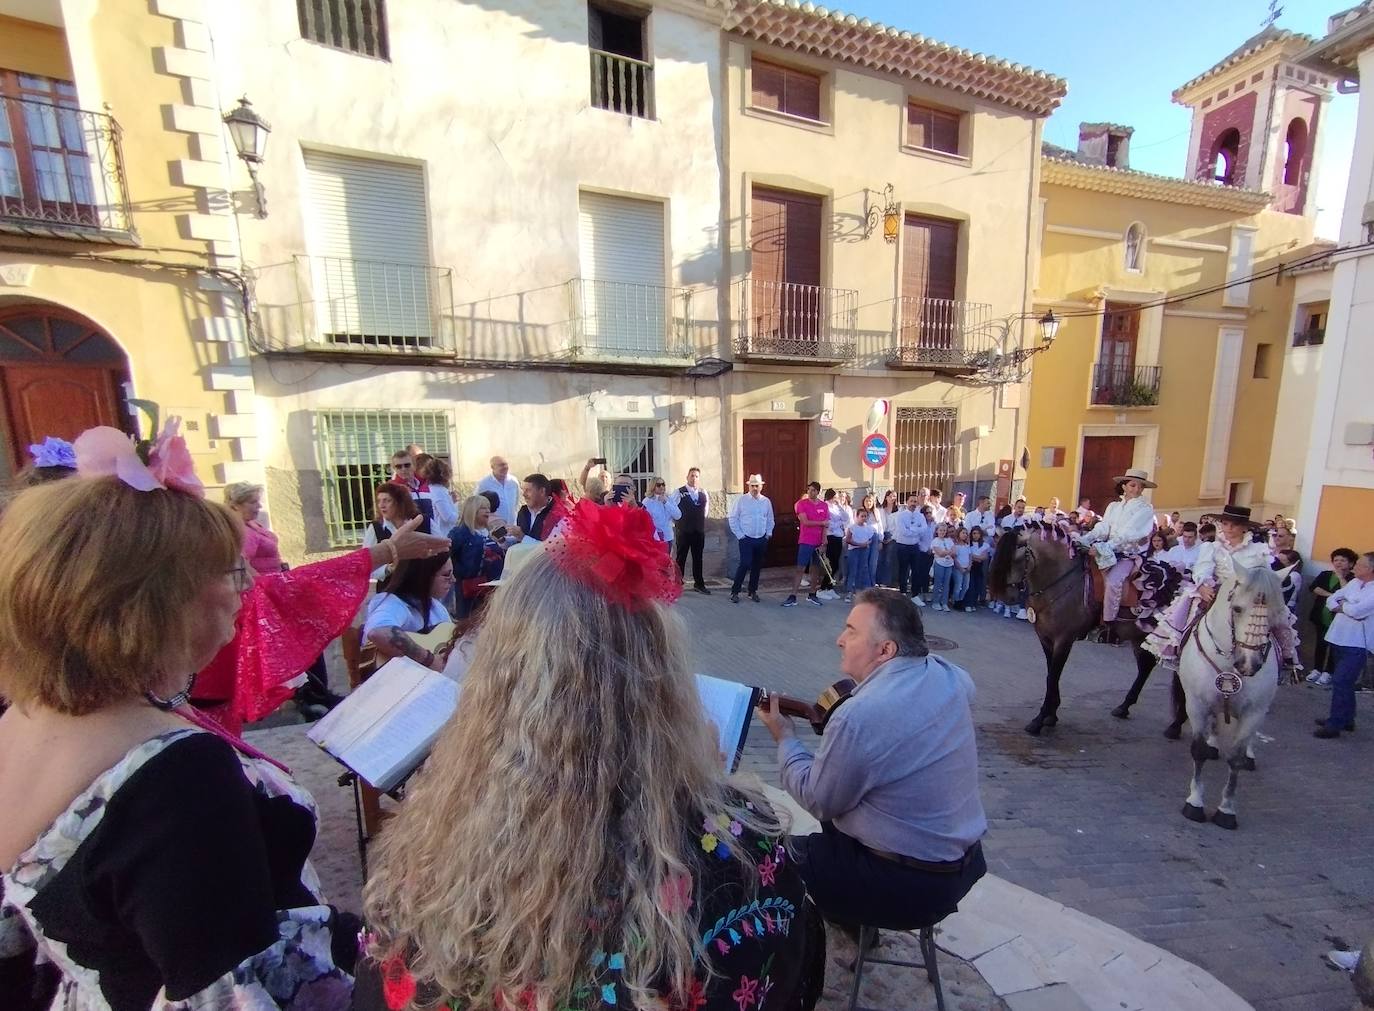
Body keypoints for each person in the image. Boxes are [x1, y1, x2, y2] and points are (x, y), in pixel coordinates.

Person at [356, 500, 824, 1011]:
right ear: (665, 685)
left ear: (498, 685)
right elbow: (789, 973)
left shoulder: (425, 858)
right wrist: (709, 793)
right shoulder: (741, 860)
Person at [0, 425, 359, 1007]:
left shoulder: (23, 715)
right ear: (156, 599)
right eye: (227, 571)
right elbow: (231, 995)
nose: (241, 591)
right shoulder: (177, 773)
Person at [757, 589, 987, 932]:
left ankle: (801, 949)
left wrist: (785, 738)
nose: (839, 639)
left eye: (851, 631)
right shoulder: (953, 677)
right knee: (843, 807)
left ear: (885, 650)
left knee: (766, 863)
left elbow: (819, 801)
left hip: (904, 885)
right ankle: (848, 917)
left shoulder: (858, 716)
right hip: (962, 866)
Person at [1144, 505, 1300, 672]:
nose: (1229, 528)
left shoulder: (1258, 550)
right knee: (1187, 613)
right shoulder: (1211, 547)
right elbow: (1202, 569)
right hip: (1217, 593)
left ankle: (1287, 657)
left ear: (1245, 528)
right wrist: (1203, 585)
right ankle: (1180, 652)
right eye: (1225, 524)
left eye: (1235, 525)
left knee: (1280, 616)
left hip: (1250, 596)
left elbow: (1265, 575)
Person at [1076, 469, 1156, 626]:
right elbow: (1104, 527)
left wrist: (1104, 547)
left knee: (1113, 581)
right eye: (1133, 485)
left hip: (1128, 554)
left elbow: (1129, 533)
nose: (1137, 489)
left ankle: (1109, 622)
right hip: (1109, 548)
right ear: (1124, 486)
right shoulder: (1113, 506)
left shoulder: (1145, 509)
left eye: (1140, 487)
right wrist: (1085, 539)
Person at [1315, 551, 1374, 739]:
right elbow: (1332, 599)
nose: (1355, 566)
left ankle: (1335, 724)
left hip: (1358, 643)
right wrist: (1343, 605)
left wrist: (1344, 606)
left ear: (1371, 569)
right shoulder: (1354, 583)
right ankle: (1346, 718)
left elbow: (1358, 611)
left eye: (1361, 564)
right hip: (1339, 637)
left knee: (1341, 681)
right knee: (1345, 683)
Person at [362, 554, 455, 670]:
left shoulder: (436, 607)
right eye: (446, 575)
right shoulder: (392, 604)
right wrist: (429, 660)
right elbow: (378, 632)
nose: (453, 580)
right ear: (423, 576)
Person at [449, 494, 509, 619]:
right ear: (472, 510)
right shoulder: (460, 533)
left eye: (488, 507)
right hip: (469, 591)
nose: (487, 510)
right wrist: (461, 573)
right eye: (483, 507)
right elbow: (448, 556)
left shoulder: (490, 532)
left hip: (492, 588)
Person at [362, 480, 428, 586]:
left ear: (399, 502)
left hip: (421, 587)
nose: (381, 505)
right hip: (389, 591)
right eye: (379, 501)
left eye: (387, 500)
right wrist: (387, 569)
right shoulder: (376, 528)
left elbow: (441, 551)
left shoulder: (423, 522)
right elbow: (366, 564)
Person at [1307, 548, 1356, 686]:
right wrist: (1333, 596)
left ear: (1351, 564)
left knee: (1334, 646)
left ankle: (1328, 672)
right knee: (1320, 644)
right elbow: (1314, 588)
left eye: (1343, 560)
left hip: (1339, 619)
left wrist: (1341, 577)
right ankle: (1316, 669)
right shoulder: (1325, 574)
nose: (1338, 563)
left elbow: (1348, 594)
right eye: (1336, 560)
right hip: (1321, 615)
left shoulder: (1353, 579)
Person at [728, 474, 774, 603]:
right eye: (752, 486)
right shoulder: (741, 500)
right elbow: (733, 518)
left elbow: (770, 519)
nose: (754, 488)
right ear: (748, 486)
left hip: (761, 538)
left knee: (757, 566)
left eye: (757, 486)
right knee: (745, 563)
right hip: (746, 538)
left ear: (761, 487)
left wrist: (768, 534)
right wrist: (740, 535)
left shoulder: (766, 501)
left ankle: (752, 591)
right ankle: (735, 591)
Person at [224, 481, 283, 576]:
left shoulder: (250, 523)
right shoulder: (238, 530)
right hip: (264, 584)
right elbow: (241, 563)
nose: (259, 506)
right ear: (235, 505)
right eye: (253, 502)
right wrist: (262, 584)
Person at [785, 481, 829, 608]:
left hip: (818, 542)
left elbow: (826, 525)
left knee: (815, 569)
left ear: (818, 492)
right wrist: (821, 523)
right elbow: (805, 521)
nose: (810, 492)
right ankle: (793, 595)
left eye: (813, 490)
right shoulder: (802, 504)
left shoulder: (824, 506)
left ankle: (812, 593)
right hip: (806, 541)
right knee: (800, 568)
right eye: (809, 490)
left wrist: (824, 542)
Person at [675, 467, 711, 594]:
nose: (694, 478)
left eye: (696, 476)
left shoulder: (703, 493)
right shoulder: (679, 492)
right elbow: (673, 509)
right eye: (692, 476)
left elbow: (705, 511)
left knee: (698, 558)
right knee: (681, 558)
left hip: (698, 531)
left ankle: (699, 584)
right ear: (687, 477)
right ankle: (677, 584)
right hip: (684, 531)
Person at [891, 493, 928, 603]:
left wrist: (912, 529)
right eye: (911, 501)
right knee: (903, 570)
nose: (913, 504)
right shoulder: (901, 516)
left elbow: (924, 528)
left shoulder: (920, 516)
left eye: (915, 501)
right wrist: (916, 529)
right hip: (903, 546)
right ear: (907, 502)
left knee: (916, 570)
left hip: (915, 546)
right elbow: (903, 531)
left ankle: (915, 594)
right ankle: (902, 592)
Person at [418, 455, 459, 536]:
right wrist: (463, 518)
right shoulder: (438, 491)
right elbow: (448, 517)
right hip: (444, 534)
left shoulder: (429, 489)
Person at [390, 448, 434, 523]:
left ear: (414, 465)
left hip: (432, 530)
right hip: (408, 532)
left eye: (407, 465)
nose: (403, 469)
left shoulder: (427, 485)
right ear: (394, 469)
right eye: (399, 466)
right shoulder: (392, 488)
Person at [843, 507, 878, 602]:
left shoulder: (869, 528)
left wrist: (866, 544)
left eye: (865, 516)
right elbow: (848, 540)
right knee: (852, 571)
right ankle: (849, 591)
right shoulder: (852, 527)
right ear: (857, 517)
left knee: (862, 570)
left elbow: (871, 538)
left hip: (864, 551)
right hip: (854, 551)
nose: (864, 518)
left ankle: (859, 592)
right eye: (862, 516)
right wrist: (859, 544)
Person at [516, 473, 563, 541]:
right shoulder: (523, 511)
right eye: (523, 490)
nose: (524, 494)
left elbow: (550, 548)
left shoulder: (557, 514)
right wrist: (502, 540)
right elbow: (517, 542)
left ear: (542, 491)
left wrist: (523, 537)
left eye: (528, 490)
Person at [477, 455, 521, 527]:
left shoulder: (513, 481)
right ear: (492, 467)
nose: (505, 467)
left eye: (506, 464)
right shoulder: (484, 483)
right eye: (501, 465)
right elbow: (476, 504)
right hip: (493, 527)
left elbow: (516, 503)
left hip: (512, 526)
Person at [642, 475, 682, 546]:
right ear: (653, 486)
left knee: (667, 557)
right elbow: (644, 519)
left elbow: (678, 515)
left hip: (668, 537)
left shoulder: (669, 499)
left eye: (663, 484)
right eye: (658, 485)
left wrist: (666, 502)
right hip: (654, 537)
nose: (661, 487)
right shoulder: (647, 501)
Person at [875, 489, 900, 588]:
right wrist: (881, 538)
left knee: (888, 560)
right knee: (879, 558)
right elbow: (879, 524)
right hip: (882, 534)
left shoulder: (898, 511)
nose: (892, 498)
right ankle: (877, 580)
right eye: (890, 496)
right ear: (886, 497)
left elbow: (898, 527)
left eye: (894, 496)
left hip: (892, 537)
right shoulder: (881, 510)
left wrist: (891, 538)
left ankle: (886, 581)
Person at [929, 522, 956, 612]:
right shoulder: (935, 541)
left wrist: (946, 552)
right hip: (939, 563)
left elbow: (954, 552)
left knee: (946, 584)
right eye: (940, 530)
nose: (942, 532)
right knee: (938, 583)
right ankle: (935, 602)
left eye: (944, 530)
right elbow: (939, 553)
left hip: (949, 564)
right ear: (937, 531)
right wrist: (948, 552)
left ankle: (944, 602)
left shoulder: (949, 540)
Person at [859, 493, 883, 588]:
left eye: (870, 501)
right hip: (864, 538)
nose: (868, 503)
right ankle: (864, 583)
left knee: (873, 562)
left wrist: (881, 540)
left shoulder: (876, 512)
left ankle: (872, 583)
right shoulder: (860, 512)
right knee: (864, 561)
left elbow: (880, 526)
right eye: (866, 501)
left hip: (875, 537)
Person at [965, 526, 990, 610]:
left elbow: (984, 557)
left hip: (979, 567)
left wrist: (973, 556)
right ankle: (968, 603)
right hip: (970, 566)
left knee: (977, 585)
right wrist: (976, 557)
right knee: (970, 585)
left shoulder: (985, 545)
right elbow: (968, 555)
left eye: (978, 533)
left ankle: (974, 604)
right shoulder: (968, 544)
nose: (976, 535)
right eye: (974, 533)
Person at [951, 526, 973, 612]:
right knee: (958, 585)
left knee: (966, 586)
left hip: (967, 568)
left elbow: (970, 556)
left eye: (966, 533)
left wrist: (969, 566)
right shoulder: (956, 546)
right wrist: (960, 568)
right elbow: (955, 558)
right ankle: (956, 601)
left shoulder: (967, 546)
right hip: (958, 569)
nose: (965, 535)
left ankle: (961, 600)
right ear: (958, 534)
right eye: (963, 533)